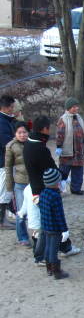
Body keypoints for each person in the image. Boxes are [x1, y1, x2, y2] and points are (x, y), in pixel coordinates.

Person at [39, 168, 69, 279]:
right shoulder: (55, 196)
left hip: (45, 225)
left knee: (47, 247)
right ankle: (56, 271)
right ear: (57, 182)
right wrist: (64, 228)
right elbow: (59, 214)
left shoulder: (43, 193)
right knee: (53, 249)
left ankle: (49, 269)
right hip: (55, 228)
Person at [55, 98, 84, 195]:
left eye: (77, 106)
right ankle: (58, 189)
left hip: (79, 151)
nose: (76, 108)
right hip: (67, 151)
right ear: (68, 108)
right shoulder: (63, 119)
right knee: (63, 172)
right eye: (74, 107)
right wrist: (59, 146)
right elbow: (59, 134)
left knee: (78, 172)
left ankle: (76, 189)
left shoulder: (79, 117)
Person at [5, 121, 30, 245]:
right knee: (21, 212)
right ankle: (23, 237)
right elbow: (8, 168)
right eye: (19, 132)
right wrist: (9, 186)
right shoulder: (10, 146)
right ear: (15, 133)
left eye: (24, 132)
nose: (22, 135)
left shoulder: (33, 143)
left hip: (33, 183)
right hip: (19, 183)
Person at [23, 116, 57, 200]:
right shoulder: (40, 147)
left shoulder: (28, 142)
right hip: (41, 189)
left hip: (32, 185)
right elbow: (50, 167)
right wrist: (62, 176)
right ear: (45, 129)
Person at [0, 95, 15, 229]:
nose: (13, 109)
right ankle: (1, 221)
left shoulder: (6, 121)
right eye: (11, 107)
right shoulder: (2, 122)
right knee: (4, 191)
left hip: (4, 161)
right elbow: (7, 143)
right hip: (4, 162)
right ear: (5, 107)